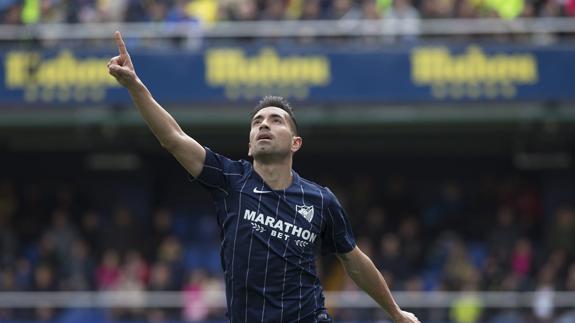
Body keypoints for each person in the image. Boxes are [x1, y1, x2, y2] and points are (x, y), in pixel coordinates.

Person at [107, 31, 420, 323]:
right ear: (250, 143)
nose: (264, 125)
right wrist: (135, 86)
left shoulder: (321, 200)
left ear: (295, 143)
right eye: (257, 122)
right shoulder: (230, 180)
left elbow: (353, 261)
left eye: (276, 120)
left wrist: (395, 312)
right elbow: (173, 138)